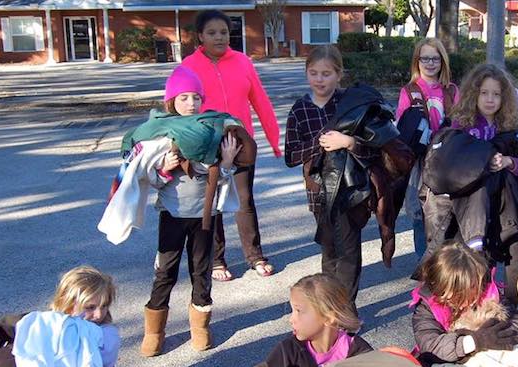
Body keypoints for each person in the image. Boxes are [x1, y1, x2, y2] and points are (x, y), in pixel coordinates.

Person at [420, 63, 518, 304]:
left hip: (505, 205)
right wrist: (481, 160)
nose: (490, 99)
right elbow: (445, 163)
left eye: (496, 94)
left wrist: (509, 161)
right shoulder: (460, 125)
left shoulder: (510, 127)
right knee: (475, 266)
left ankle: (509, 304)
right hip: (468, 207)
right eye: (484, 93)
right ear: (473, 94)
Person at [141, 65, 241, 357]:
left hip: (204, 217)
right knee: (165, 272)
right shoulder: (163, 134)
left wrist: (225, 163)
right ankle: (154, 331)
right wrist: (164, 168)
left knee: (201, 271)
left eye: (196, 97)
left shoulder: (211, 131)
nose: (191, 103)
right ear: (171, 101)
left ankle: (200, 326)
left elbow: (222, 180)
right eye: (183, 98)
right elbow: (148, 179)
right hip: (172, 215)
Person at [182, 9, 279, 281]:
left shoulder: (242, 62)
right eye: (212, 33)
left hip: (240, 143)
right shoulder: (189, 66)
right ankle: (216, 260)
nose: (219, 37)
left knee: (244, 200)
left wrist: (273, 139)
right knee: (212, 201)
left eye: (224, 32)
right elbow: (176, 104)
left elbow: (260, 100)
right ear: (200, 36)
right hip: (207, 144)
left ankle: (255, 255)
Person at [284, 45, 377, 304]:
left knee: (348, 252)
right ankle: (329, 307)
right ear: (306, 73)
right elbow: (291, 156)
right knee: (330, 250)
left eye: (326, 74)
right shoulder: (300, 109)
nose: (319, 79)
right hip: (318, 192)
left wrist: (348, 142)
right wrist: (321, 141)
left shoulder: (349, 103)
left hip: (350, 190)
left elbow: (373, 146)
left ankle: (345, 311)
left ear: (339, 74)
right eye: (313, 73)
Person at [395, 38, 459, 258]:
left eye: (435, 58)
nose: (430, 63)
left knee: (447, 213)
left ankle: (445, 267)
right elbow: (401, 129)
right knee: (420, 215)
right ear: (417, 61)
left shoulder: (451, 91)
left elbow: (462, 123)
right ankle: (424, 268)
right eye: (425, 59)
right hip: (419, 164)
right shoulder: (409, 91)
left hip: (447, 162)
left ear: (442, 61)